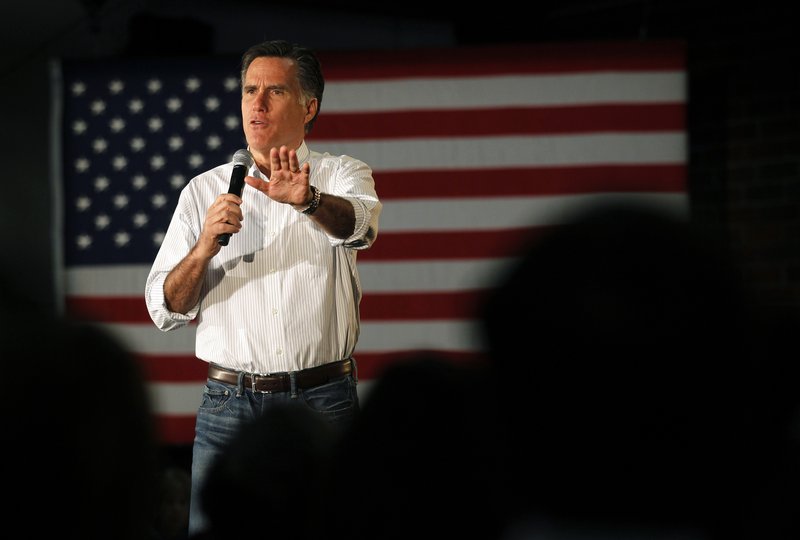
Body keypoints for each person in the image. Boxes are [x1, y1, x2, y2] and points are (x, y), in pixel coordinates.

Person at [144, 39, 381, 536]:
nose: (257, 103)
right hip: (230, 406)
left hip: (324, 403)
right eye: (250, 90)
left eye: (274, 91)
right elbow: (164, 307)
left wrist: (309, 200)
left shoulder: (342, 174)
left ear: (309, 106)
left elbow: (359, 226)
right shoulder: (203, 192)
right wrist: (205, 245)